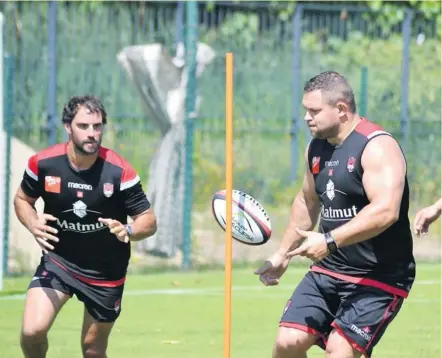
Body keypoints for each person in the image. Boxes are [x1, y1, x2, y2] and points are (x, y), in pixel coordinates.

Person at [255, 71, 415, 358]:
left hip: (378, 276)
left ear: (341, 109)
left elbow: (386, 211)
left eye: (314, 110)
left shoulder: (377, 146)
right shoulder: (316, 149)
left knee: (339, 351)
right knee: (287, 343)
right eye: (305, 110)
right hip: (329, 271)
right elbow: (307, 202)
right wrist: (282, 254)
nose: (306, 117)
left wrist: (329, 240)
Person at [14, 95, 157, 358]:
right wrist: (32, 222)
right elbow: (23, 199)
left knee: (92, 349)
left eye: (97, 126)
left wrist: (129, 230)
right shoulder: (43, 164)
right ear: (68, 126)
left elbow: (148, 220)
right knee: (32, 332)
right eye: (84, 126)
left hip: (105, 272)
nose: (92, 133)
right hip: (59, 262)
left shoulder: (119, 172)